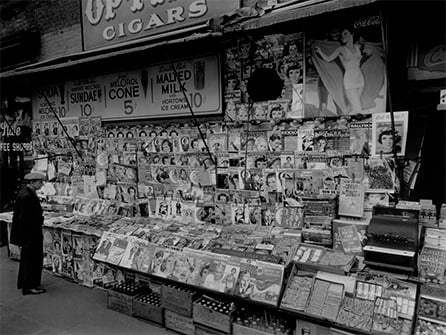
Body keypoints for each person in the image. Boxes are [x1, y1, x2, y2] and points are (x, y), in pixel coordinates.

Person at [315, 27, 371, 114]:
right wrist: (320, 51)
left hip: (360, 79)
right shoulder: (341, 49)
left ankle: (342, 119)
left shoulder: (357, 47)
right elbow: (329, 59)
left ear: (352, 34)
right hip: (350, 80)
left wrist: (367, 54)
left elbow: (361, 59)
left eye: (345, 34)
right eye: (342, 35)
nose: (342, 36)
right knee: (357, 107)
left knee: (350, 107)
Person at [10, 172, 47, 295]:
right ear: (32, 182)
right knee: (31, 260)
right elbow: (25, 218)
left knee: (30, 259)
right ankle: (29, 286)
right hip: (30, 234)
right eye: (40, 182)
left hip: (29, 234)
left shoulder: (27, 192)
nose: (42, 184)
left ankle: (28, 283)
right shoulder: (27, 196)